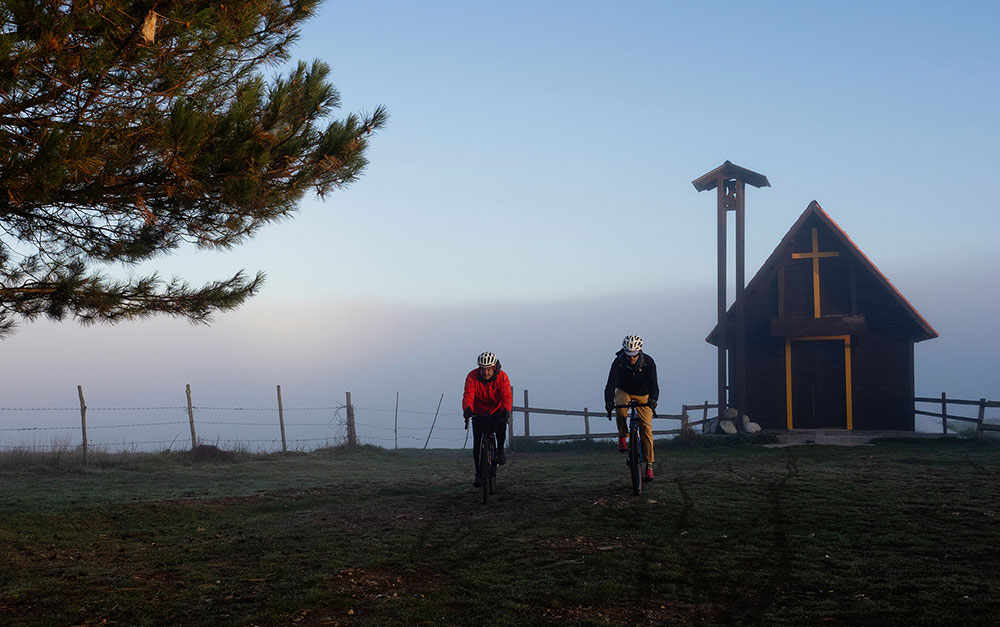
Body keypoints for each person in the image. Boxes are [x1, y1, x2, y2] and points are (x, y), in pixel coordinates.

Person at [604, 334, 659, 482]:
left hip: (643, 393)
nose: (631, 358)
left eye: (634, 355)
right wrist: (608, 401)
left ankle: (649, 465)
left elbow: (654, 384)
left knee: (646, 427)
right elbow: (610, 384)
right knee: (620, 410)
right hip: (625, 390)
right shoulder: (618, 362)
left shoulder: (648, 362)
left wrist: (653, 399)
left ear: (639, 352)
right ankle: (623, 435)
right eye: (628, 355)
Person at [462, 351, 513, 487]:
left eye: (489, 369)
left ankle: (500, 450)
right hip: (479, 411)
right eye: (483, 369)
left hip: (497, 409)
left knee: (501, 426)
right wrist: (467, 409)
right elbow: (468, 394)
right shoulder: (472, 377)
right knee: (477, 444)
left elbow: (507, 395)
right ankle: (479, 474)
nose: (486, 373)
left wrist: (506, 410)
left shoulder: (502, 377)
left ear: (494, 367)